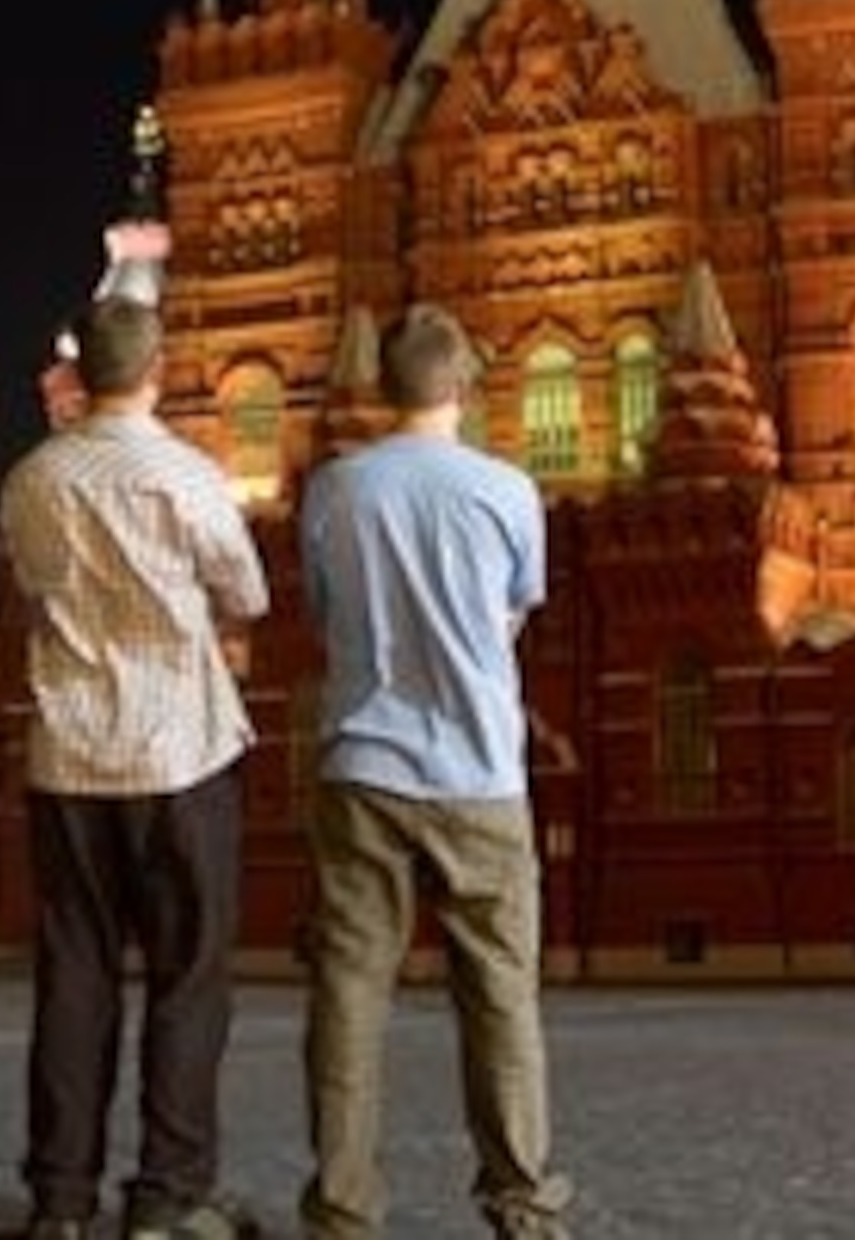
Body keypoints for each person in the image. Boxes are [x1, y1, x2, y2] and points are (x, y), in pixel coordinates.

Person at [296, 302, 575, 1240]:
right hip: (479, 773)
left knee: (349, 992)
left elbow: (324, 616)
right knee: (501, 996)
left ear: (384, 386)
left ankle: (343, 1210)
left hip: (362, 764)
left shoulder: (334, 490)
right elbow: (514, 613)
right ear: (463, 387)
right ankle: (521, 1202)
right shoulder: (508, 492)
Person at [0, 293, 270, 1240]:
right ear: (157, 370)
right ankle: (167, 1194)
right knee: (188, 977)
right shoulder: (189, 477)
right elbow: (248, 591)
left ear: (81, 376)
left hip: (70, 757)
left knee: (73, 975)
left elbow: (29, 585)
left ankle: (61, 1198)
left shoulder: (32, 479)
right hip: (180, 753)